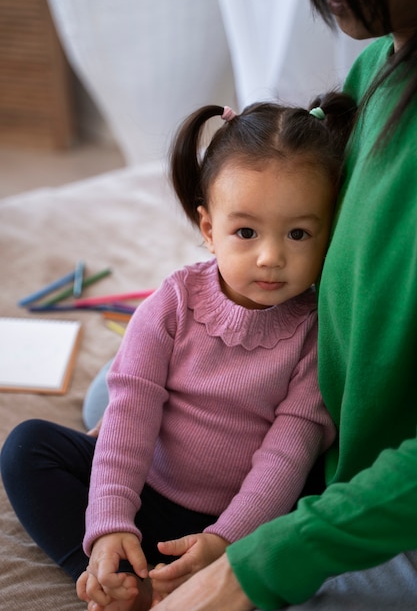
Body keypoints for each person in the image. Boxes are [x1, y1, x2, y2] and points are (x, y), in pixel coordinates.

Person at [0, 92, 356, 611]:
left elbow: (288, 453)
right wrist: (108, 525)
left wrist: (227, 542)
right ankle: (113, 580)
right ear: (209, 230)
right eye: (246, 231)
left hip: (241, 519)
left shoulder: (319, 332)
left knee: (317, 506)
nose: (271, 257)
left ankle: (189, 582)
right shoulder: (172, 303)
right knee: (28, 446)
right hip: (148, 492)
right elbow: (129, 418)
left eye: (299, 233)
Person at [147, 0, 417, 610]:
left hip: (387, 501)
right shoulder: (378, 63)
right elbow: (285, 165)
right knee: (119, 390)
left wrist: (254, 565)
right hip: (334, 443)